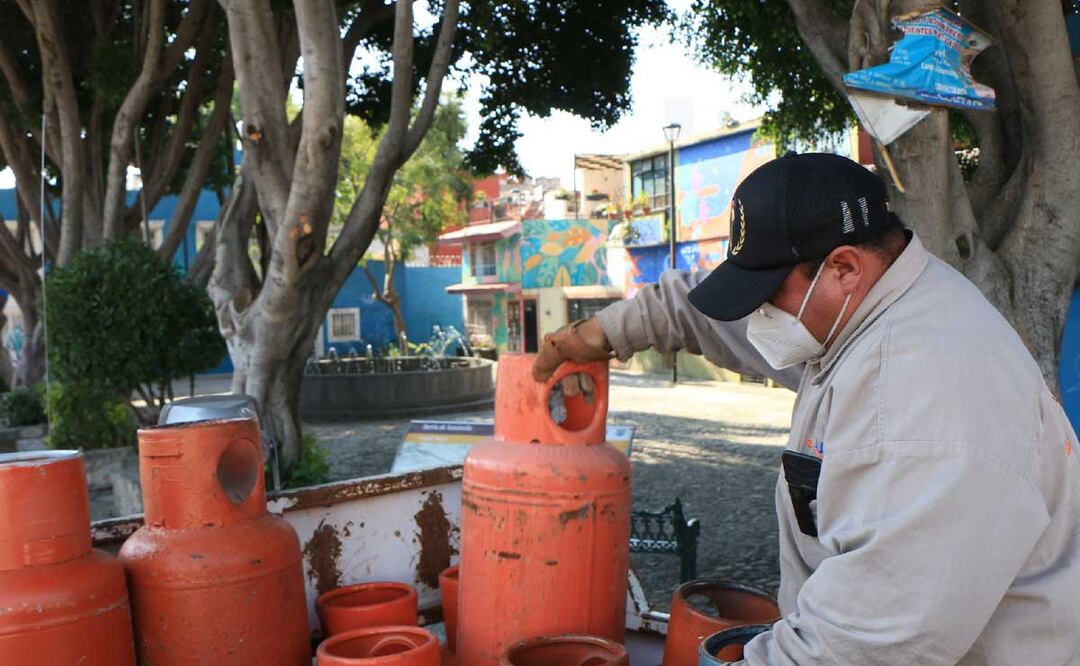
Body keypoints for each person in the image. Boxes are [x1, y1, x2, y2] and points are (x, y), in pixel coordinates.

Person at [532, 153, 1080, 665]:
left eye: (767, 294)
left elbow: (865, 640)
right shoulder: (864, 311)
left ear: (843, 267)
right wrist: (608, 331)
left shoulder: (923, 395)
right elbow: (713, 314)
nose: (759, 314)